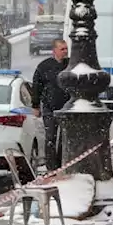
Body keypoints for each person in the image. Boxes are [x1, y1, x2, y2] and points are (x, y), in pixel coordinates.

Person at [30, 38, 70, 171]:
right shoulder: (44, 66)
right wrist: (35, 105)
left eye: (66, 48)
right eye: (62, 49)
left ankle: (62, 164)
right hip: (50, 107)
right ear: (55, 51)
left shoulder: (70, 65)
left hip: (67, 108)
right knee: (50, 137)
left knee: (65, 138)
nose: (65, 51)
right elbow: (36, 87)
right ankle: (51, 167)